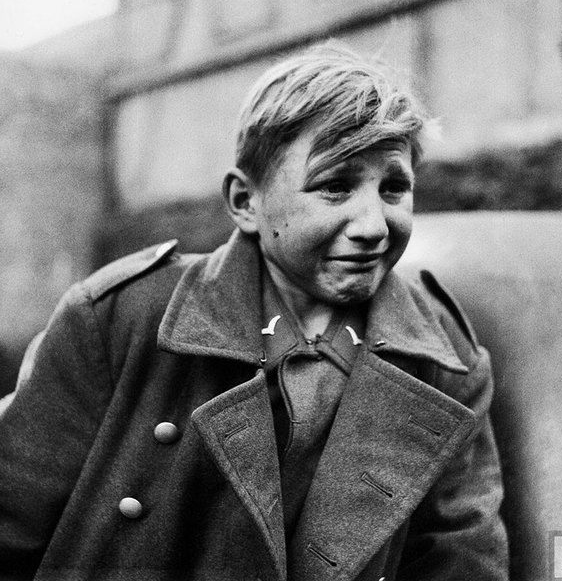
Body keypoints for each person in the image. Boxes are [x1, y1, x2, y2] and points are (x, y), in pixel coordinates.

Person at [0, 44, 508, 580]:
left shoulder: (444, 357)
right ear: (246, 202)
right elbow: (10, 521)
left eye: (393, 188)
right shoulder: (122, 318)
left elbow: (461, 560)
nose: (374, 226)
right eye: (335, 187)